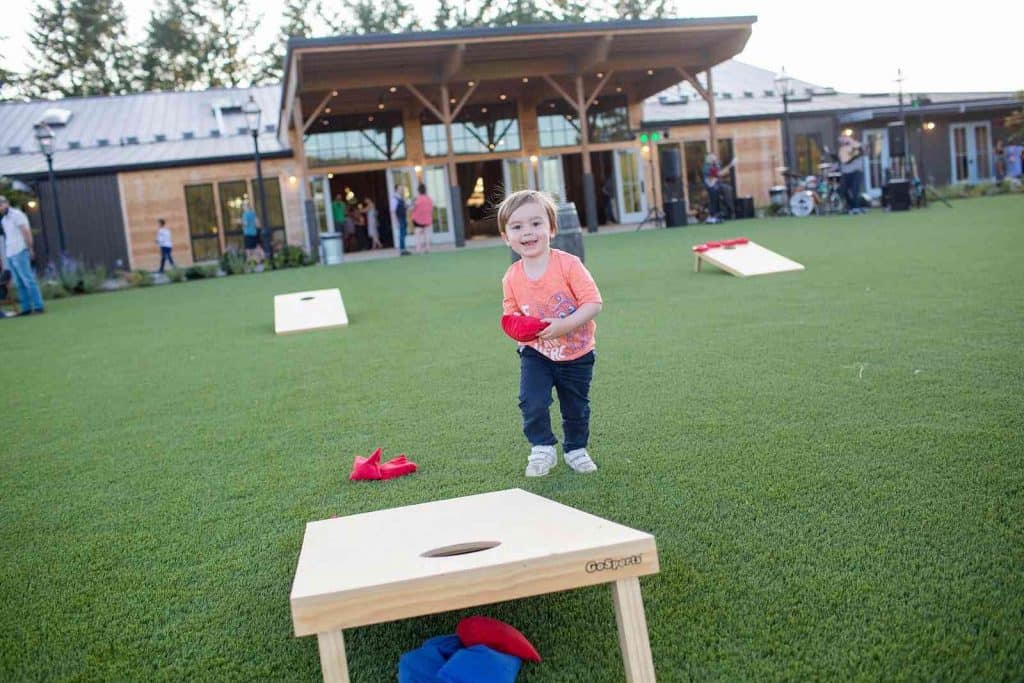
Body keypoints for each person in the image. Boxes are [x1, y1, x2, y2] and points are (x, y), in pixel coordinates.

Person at [498, 189, 603, 477]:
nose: (527, 232)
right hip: (537, 352)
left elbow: (593, 303)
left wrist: (563, 326)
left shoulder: (569, 265)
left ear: (552, 229)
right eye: (517, 227)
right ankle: (542, 447)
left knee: (576, 407)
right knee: (531, 400)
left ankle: (576, 449)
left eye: (536, 223)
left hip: (577, 352)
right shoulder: (512, 277)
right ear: (506, 237)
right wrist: (519, 326)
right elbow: (511, 314)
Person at [0, 196, 45, 316]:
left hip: (20, 250)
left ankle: (38, 306)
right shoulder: (4, 220)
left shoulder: (17, 214)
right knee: (18, 282)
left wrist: (30, 248)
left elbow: (26, 231)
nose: (0, 207)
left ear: (7, 203)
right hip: (10, 252)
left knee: (28, 279)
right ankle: (26, 308)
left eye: (1, 204)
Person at [701, 153, 735, 223]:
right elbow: (718, 174)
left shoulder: (716, 165)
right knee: (714, 192)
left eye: (715, 157)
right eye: (713, 158)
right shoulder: (706, 167)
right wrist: (731, 165)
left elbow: (722, 173)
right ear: (709, 159)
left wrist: (729, 166)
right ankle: (713, 216)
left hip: (716, 184)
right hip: (710, 185)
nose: (715, 159)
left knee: (727, 189)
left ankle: (728, 210)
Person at [838, 133, 866, 214]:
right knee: (843, 190)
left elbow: (862, 150)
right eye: (841, 139)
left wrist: (852, 143)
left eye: (844, 138)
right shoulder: (842, 149)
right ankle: (851, 206)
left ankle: (856, 207)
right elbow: (845, 161)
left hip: (856, 171)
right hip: (846, 172)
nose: (843, 140)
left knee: (855, 190)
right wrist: (854, 156)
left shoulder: (856, 144)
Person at [410, 183, 434, 254]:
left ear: (418, 191)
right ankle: (427, 248)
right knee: (426, 234)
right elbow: (431, 208)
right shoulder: (429, 199)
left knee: (418, 234)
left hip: (418, 219)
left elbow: (413, 208)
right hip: (427, 219)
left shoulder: (417, 199)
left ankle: (418, 249)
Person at [391, 184, 410, 255]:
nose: (401, 190)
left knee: (404, 233)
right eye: (400, 189)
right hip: (399, 218)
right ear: (396, 189)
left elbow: (404, 207)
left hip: (403, 217)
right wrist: (396, 221)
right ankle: (402, 250)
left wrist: (408, 206)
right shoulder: (394, 199)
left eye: (401, 188)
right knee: (402, 233)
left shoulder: (401, 198)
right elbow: (393, 211)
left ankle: (404, 248)